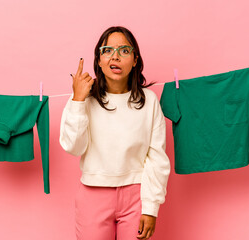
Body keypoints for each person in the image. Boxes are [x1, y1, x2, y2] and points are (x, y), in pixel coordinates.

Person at [59, 26, 170, 240]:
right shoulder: (83, 99)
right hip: (93, 195)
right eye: (108, 50)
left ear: (135, 59)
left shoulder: (149, 101)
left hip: (137, 195)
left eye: (124, 51)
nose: (116, 56)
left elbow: (157, 157)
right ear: (99, 60)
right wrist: (78, 100)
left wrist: (151, 207)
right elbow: (73, 147)